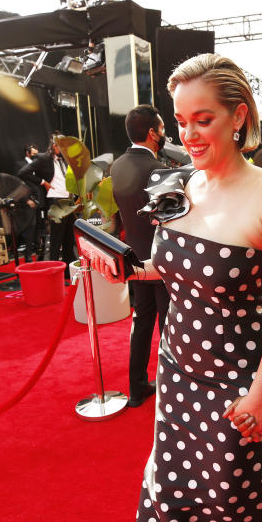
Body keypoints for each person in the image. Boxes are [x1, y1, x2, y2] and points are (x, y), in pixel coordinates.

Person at [94, 53, 262, 522]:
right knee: (169, 488)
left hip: (236, 374)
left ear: (238, 117)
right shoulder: (177, 185)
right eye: (181, 121)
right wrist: (121, 265)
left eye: (204, 119)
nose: (189, 135)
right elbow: (173, 272)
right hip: (176, 365)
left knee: (227, 489)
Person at [111, 104, 170, 408]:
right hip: (160, 261)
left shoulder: (117, 165)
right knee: (168, 327)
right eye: (161, 129)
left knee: (142, 321)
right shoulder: (157, 170)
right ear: (152, 133)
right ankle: (171, 392)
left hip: (134, 257)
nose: (164, 135)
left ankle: (136, 388)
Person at [17, 135, 73, 261]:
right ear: (55, 146)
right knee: (57, 239)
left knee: (69, 238)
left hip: (69, 200)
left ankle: (68, 270)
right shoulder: (43, 158)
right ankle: (54, 268)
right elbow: (22, 172)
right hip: (56, 201)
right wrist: (43, 182)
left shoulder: (64, 159)